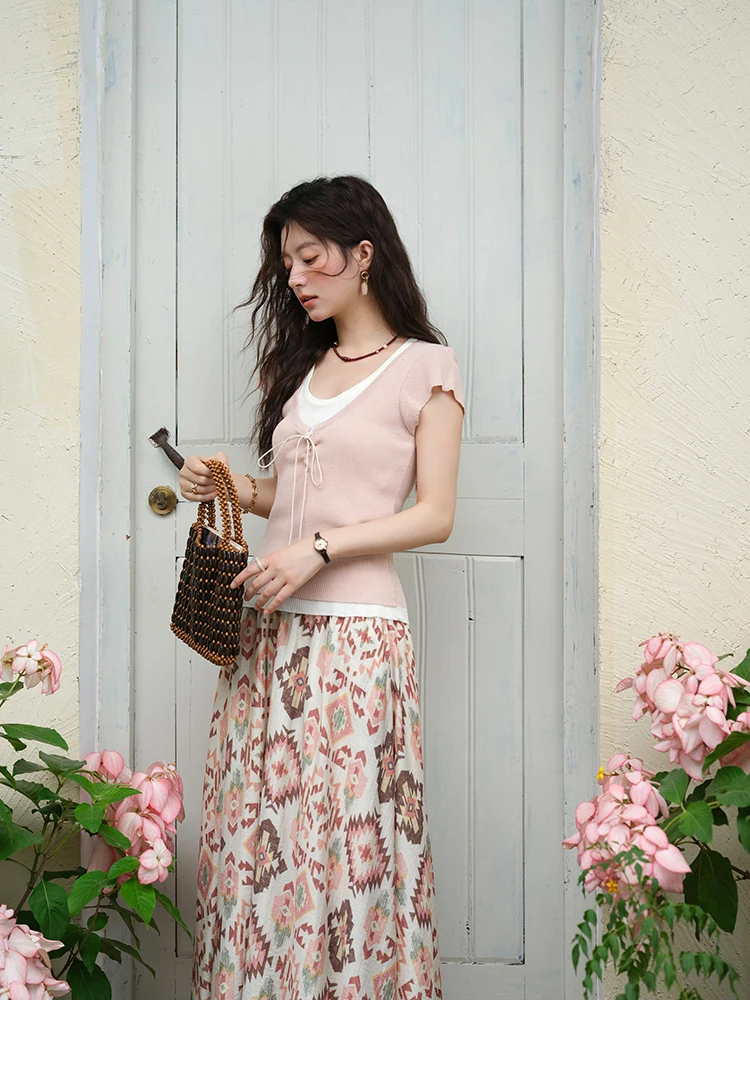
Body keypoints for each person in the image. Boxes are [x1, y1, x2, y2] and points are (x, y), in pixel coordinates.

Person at [179, 174, 464, 1000]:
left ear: (363, 254)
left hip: (356, 639)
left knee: (345, 830)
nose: (296, 277)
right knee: (261, 831)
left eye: (311, 257)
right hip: (267, 633)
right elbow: (299, 497)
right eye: (288, 263)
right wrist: (231, 484)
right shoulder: (308, 367)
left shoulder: (426, 367)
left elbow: (435, 514)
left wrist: (321, 548)